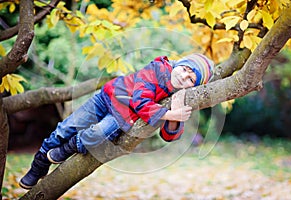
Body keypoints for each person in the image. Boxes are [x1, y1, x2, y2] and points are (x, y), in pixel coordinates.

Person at [19, 53, 214, 189]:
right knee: (64, 128)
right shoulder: (158, 69)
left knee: (96, 135)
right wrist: (169, 114)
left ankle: (67, 149)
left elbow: (168, 136)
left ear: (192, 86)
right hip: (107, 98)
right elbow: (140, 100)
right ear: (179, 64)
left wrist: (176, 116)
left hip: (122, 116)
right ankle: (39, 166)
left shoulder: (179, 95)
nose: (184, 76)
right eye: (186, 69)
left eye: (191, 79)